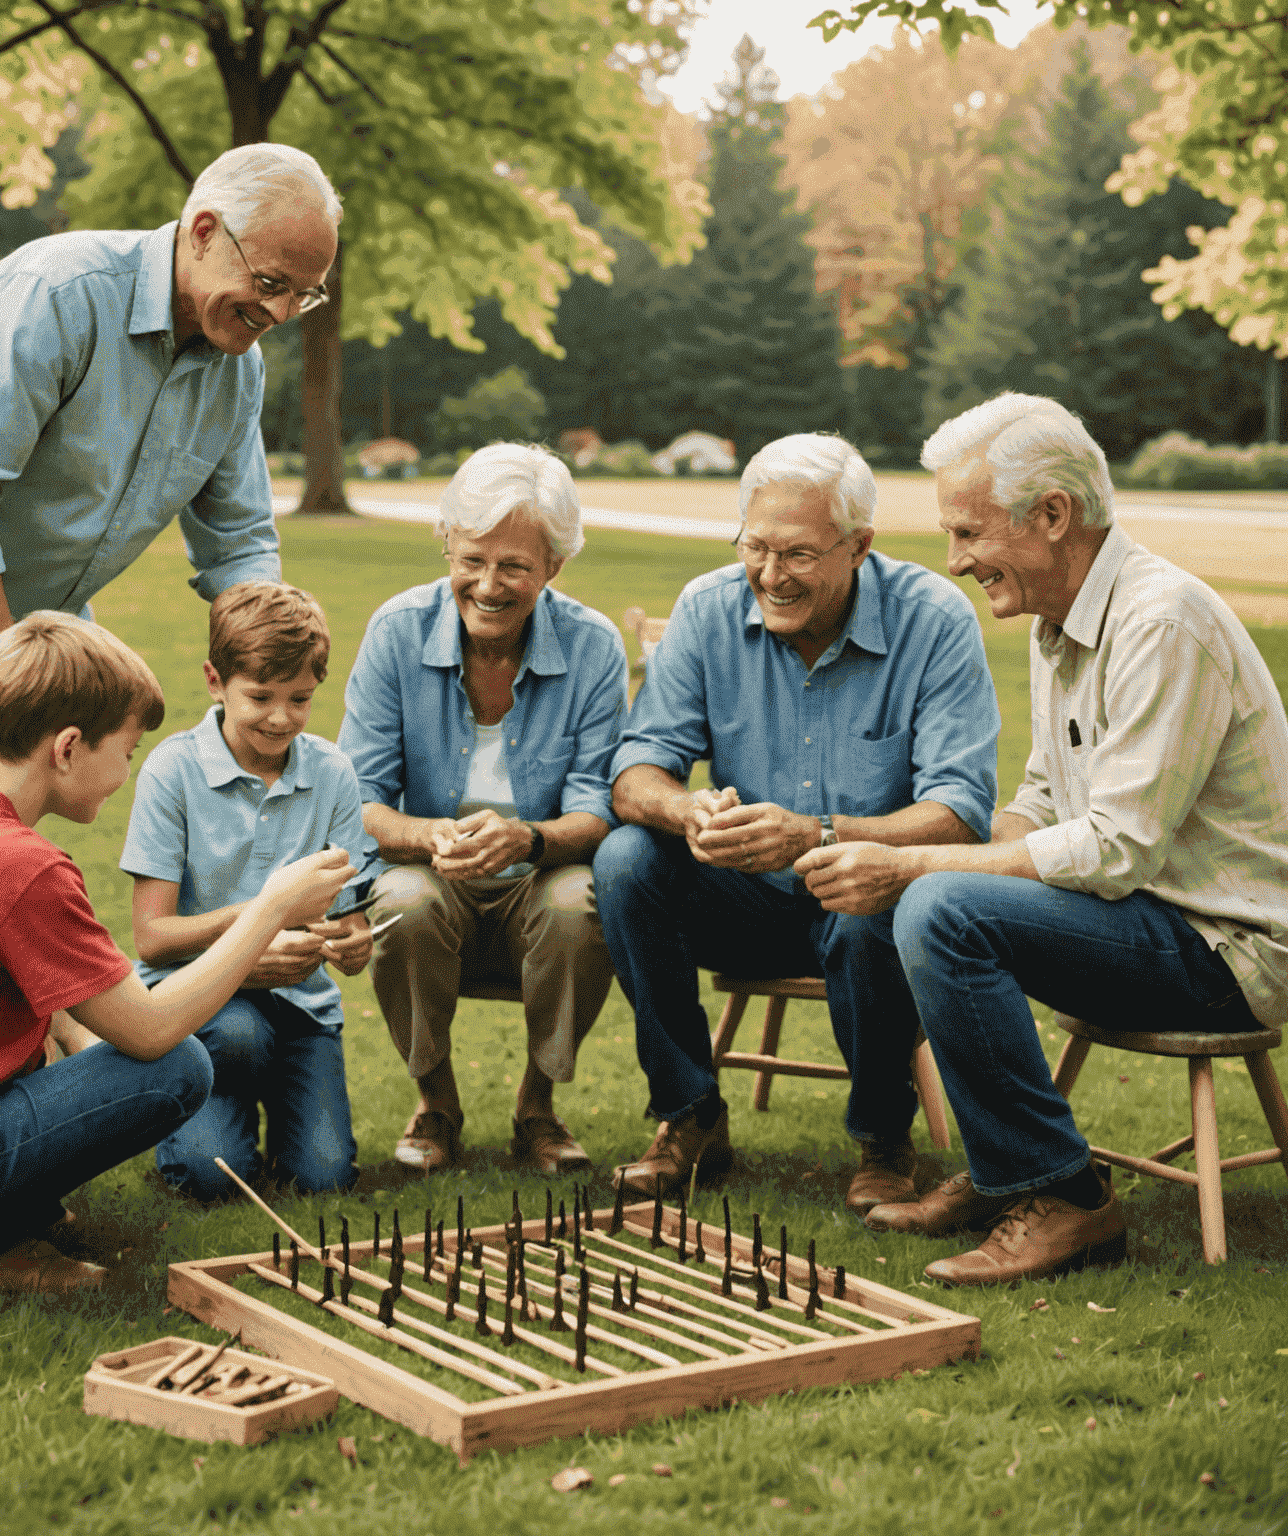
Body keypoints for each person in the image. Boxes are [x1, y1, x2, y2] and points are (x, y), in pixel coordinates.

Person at [795, 393, 1288, 1285]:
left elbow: (1113, 849)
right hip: (1145, 918)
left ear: (1052, 516)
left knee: (939, 904)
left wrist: (918, 864)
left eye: (969, 532)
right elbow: (1040, 794)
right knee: (916, 898)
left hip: (1226, 953)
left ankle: (1067, 1199)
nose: (954, 561)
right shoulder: (1061, 617)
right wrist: (917, 873)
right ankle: (1000, 1172)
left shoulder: (1161, 621)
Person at [0, 142, 342, 903]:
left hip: (20, 632)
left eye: (303, 296)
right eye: (271, 282)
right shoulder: (62, 292)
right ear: (206, 230)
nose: (279, 313)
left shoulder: (236, 372)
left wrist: (270, 664)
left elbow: (240, 542)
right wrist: (29, 680)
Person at [0, 612, 353, 1296]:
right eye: (126, 750)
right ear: (67, 748)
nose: (125, 773)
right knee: (176, 1067)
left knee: (100, 1050)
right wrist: (270, 908)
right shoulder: (20, 866)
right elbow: (149, 1032)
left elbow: (72, 1014)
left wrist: (90, 1074)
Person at [594, 433, 999, 1202]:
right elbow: (634, 769)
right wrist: (687, 810)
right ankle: (691, 1117)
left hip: (869, 904)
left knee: (864, 903)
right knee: (625, 860)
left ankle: (883, 1141)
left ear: (859, 547)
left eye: (799, 556)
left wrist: (819, 837)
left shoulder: (934, 620)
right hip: (742, 897)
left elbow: (959, 813)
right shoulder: (708, 608)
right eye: (757, 548)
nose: (770, 576)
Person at [337, 443, 627, 1174]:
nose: (489, 585)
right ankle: (436, 1103)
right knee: (401, 897)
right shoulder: (397, 632)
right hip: (433, 876)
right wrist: (430, 835)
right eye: (472, 560)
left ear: (553, 566)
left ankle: (538, 1109)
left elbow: (598, 809)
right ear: (446, 546)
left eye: (515, 567)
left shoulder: (593, 647)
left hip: (539, 872)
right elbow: (358, 799)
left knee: (580, 902)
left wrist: (525, 839)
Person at [120, 582, 375, 1198]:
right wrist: (264, 917)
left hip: (301, 1005)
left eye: (301, 699)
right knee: (210, 1179)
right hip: (200, 1005)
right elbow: (152, 939)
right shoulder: (173, 770)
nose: (281, 717)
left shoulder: (332, 772)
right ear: (216, 680)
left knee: (326, 1179)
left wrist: (354, 941)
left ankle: (274, 1125)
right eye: (260, 696)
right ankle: (193, 1111)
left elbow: (352, 916)